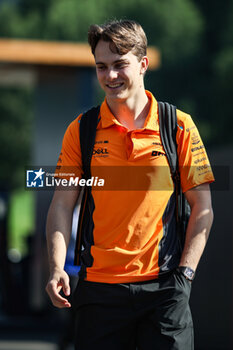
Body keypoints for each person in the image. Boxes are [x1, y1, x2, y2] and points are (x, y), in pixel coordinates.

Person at [46, 19, 214, 350]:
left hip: (165, 292)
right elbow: (62, 204)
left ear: (142, 64)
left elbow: (203, 207)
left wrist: (186, 275)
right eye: (101, 67)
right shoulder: (81, 130)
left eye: (120, 65)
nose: (110, 76)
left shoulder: (178, 126)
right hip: (99, 292)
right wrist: (55, 268)